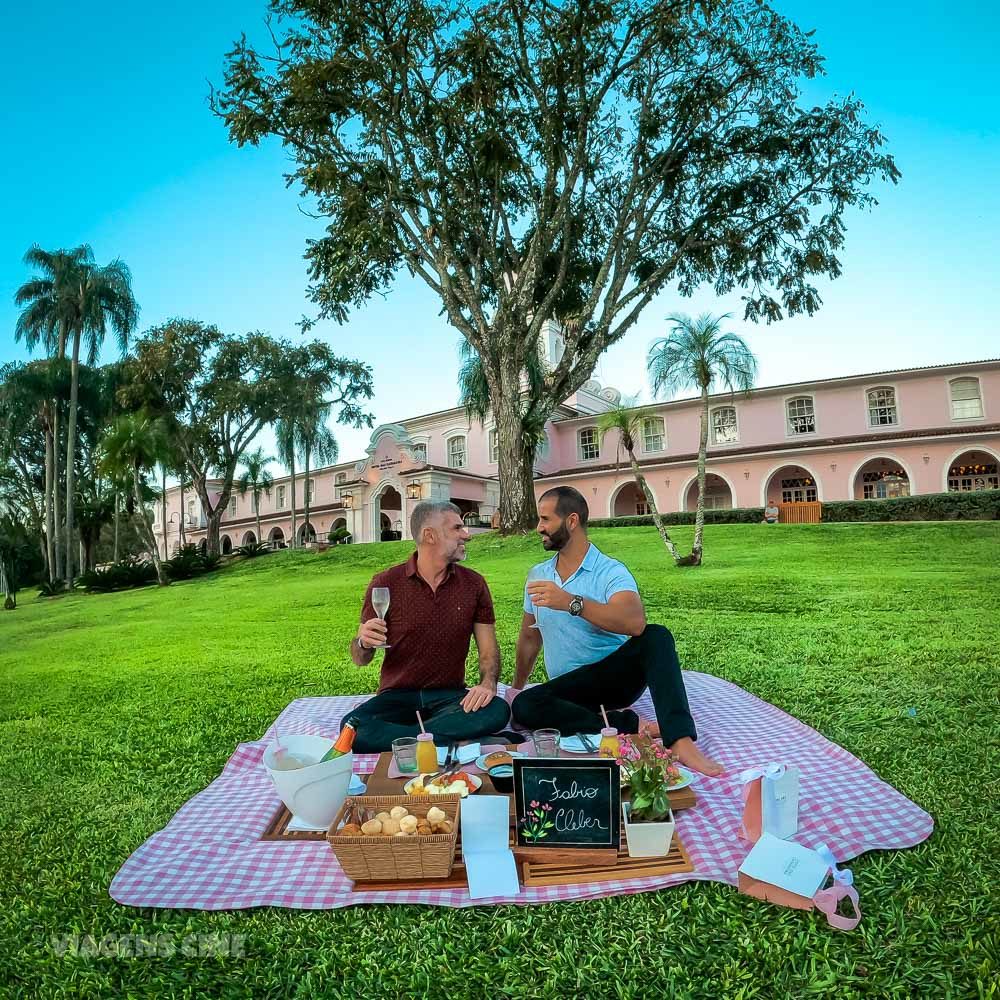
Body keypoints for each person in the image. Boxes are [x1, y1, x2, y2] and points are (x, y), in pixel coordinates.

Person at [509, 486, 723, 776]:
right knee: (525, 706)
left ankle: (680, 739)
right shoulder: (538, 574)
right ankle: (631, 726)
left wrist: (570, 602)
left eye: (545, 519)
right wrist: (517, 686)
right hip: (568, 689)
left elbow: (634, 623)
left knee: (656, 636)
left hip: (612, 679)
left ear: (571, 521)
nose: (539, 528)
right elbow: (529, 637)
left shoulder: (609, 571)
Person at [342, 500, 511, 752]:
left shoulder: (474, 584)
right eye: (457, 528)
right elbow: (360, 658)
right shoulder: (386, 583)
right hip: (396, 698)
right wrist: (363, 642)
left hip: (449, 697)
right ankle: (448, 739)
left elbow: (488, 651)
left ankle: (409, 740)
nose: (467, 535)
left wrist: (488, 684)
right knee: (352, 729)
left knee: (497, 710)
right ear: (429, 535)